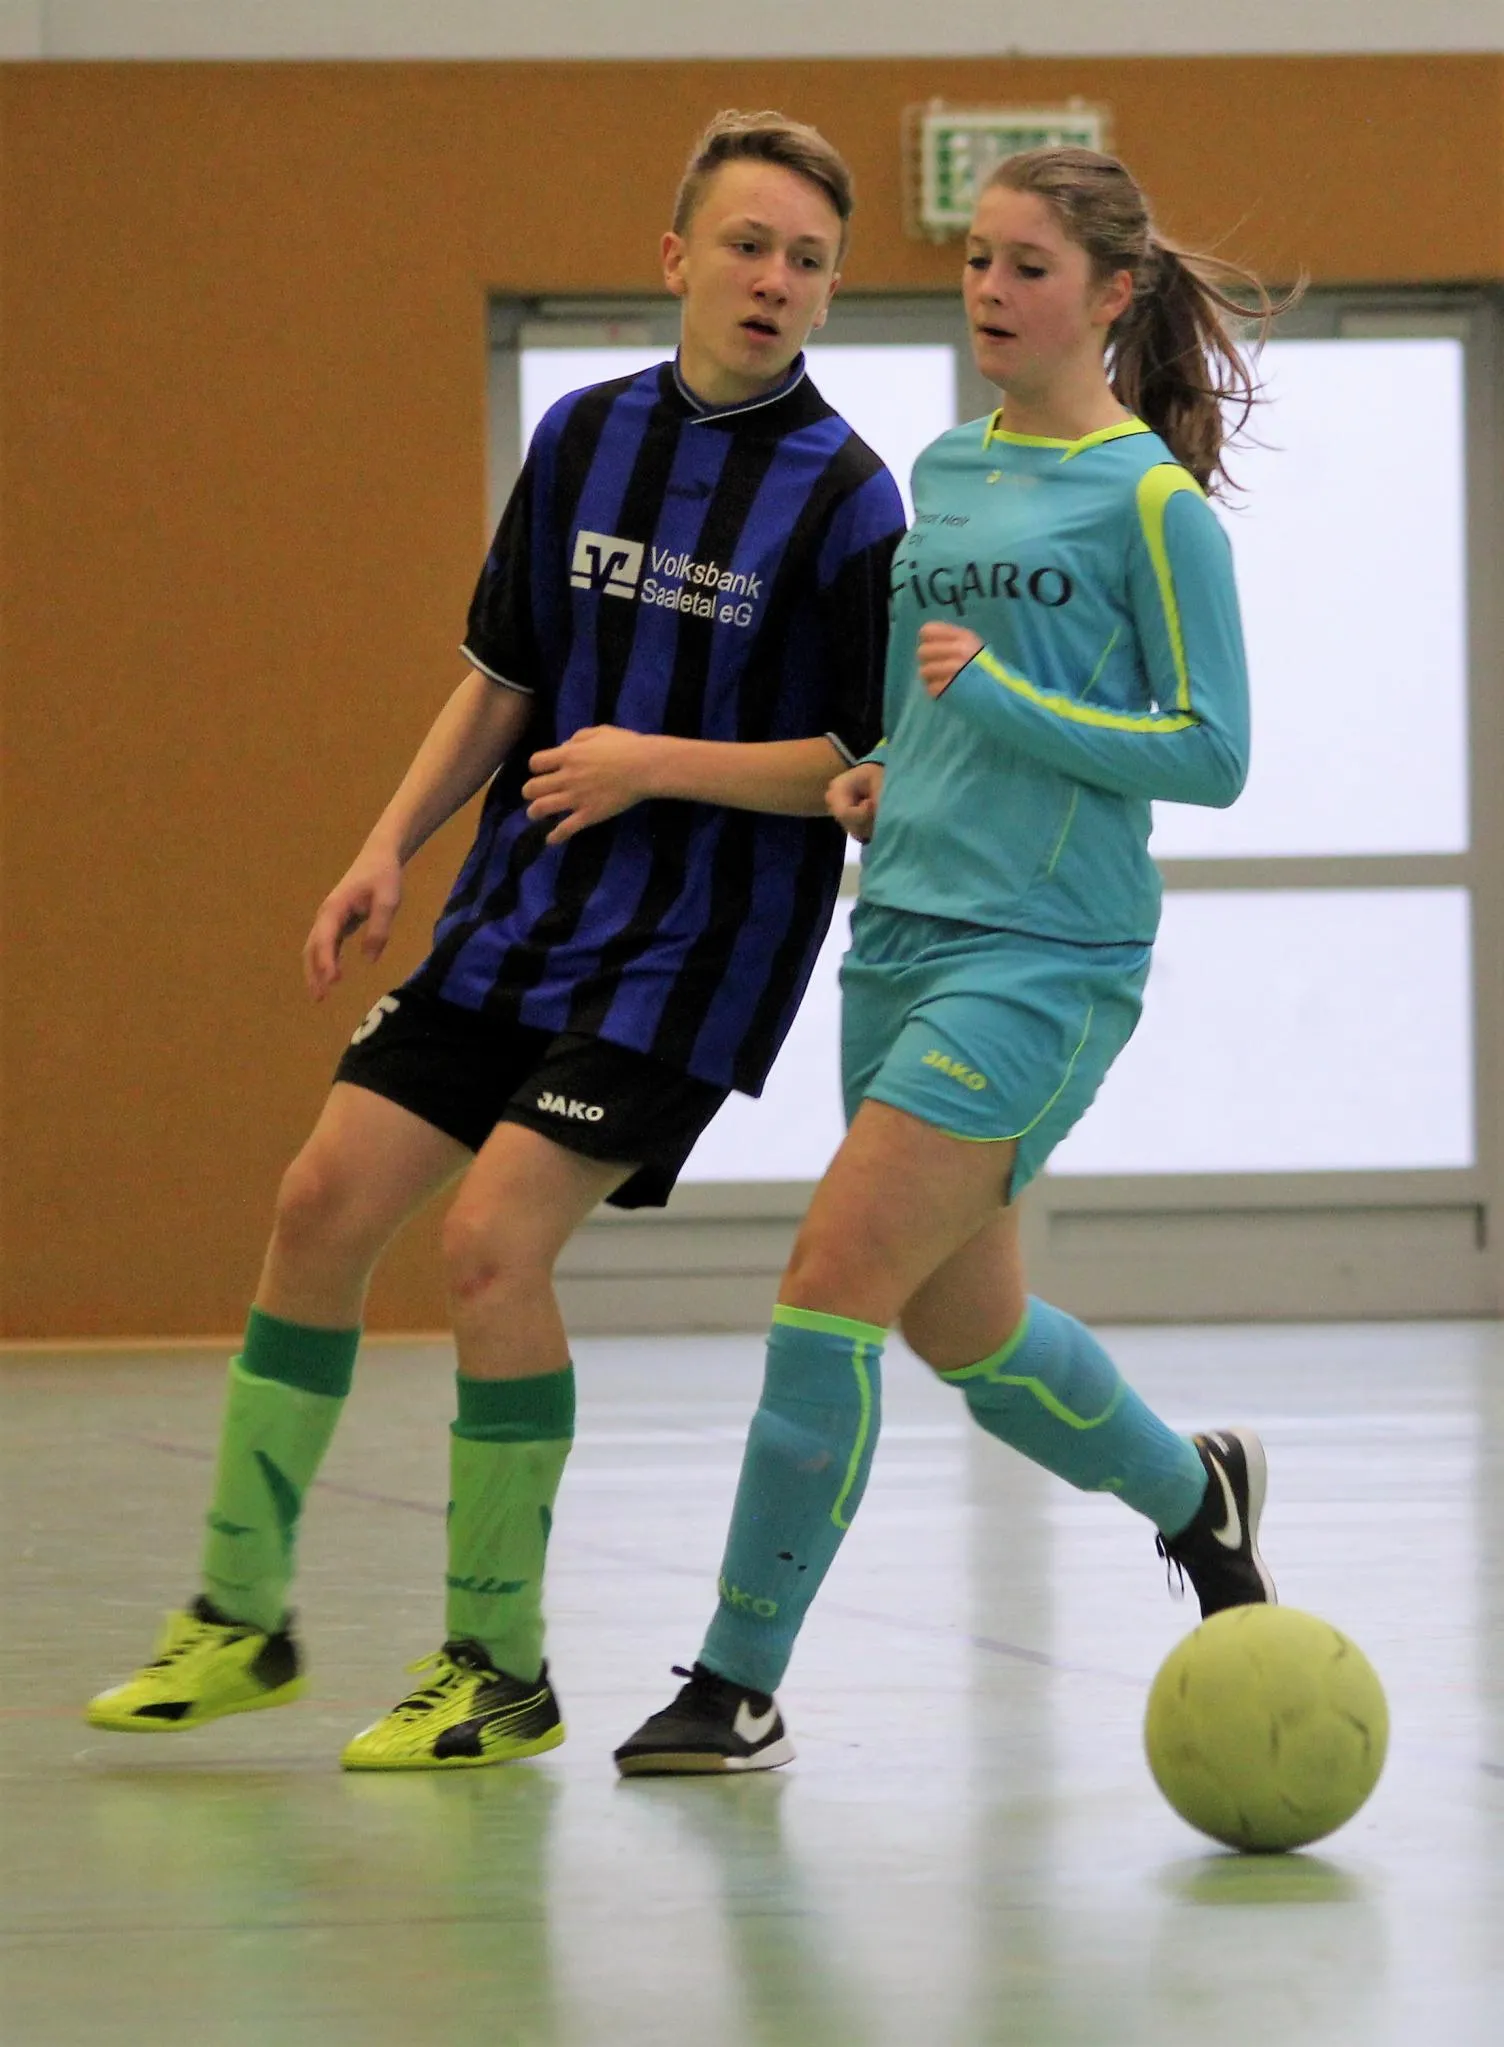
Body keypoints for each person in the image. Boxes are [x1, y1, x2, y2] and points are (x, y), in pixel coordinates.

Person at [86, 109, 905, 1771]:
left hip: (693, 956)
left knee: (488, 1243)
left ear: (830, 292)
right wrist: (383, 848)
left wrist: (652, 764)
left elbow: (853, 763)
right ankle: (241, 1616)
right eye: (748, 245)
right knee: (318, 1201)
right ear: (676, 257)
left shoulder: (848, 497)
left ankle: (498, 1662)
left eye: (810, 260)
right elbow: (504, 679)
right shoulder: (583, 436)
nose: (775, 280)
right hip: (519, 914)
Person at [615, 146, 1289, 1776]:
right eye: (979, 260)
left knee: (828, 1280)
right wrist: (884, 775)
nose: (989, 290)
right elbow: (928, 706)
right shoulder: (949, 463)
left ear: (1109, 296)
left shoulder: (1150, 501)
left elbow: (1211, 755)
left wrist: (996, 700)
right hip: (900, 930)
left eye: (1027, 267)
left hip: (1045, 958)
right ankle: (1197, 1492)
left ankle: (737, 1682)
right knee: (967, 1337)